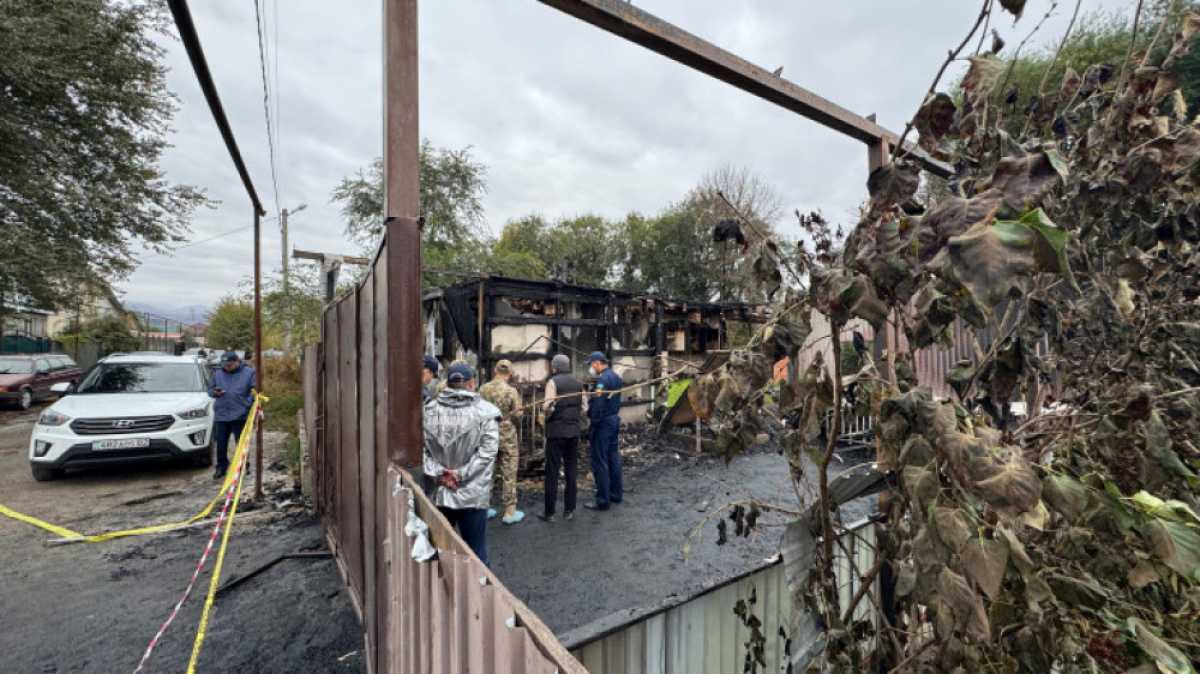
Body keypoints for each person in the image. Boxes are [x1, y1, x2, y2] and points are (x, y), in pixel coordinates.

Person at [423, 362, 500, 565]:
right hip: (473, 494)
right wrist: (460, 474)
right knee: (476, 552)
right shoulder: (487, 412)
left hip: (438, 491)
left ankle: (439, 594)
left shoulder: (428, 411)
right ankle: (481, 593)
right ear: (472, 383)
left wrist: (440, 474)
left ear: (448, 383)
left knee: (437, 550)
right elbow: (487, 453)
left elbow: (420, 451)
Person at [478, 359, 525, 524]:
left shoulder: (483, 389)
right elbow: (518, 416)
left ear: (495, 371)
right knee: (509, 473)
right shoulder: (511, 391)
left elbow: (477, 412)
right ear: (510, 373)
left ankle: (483, 508)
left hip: (487, 435)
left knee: (487, 472)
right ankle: (509, 511)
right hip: (507, 437)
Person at [539, 354, 585, 522]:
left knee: (552, 472)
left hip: (556, 433)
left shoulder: (553, 382)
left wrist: (546, 411)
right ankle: (569, 510)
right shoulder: (578, 383)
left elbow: (548, 406)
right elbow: (584, 407)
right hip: (573, 432)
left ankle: (549, 512)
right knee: (571, 471)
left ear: (555, 367)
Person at [583, 351, 623, 511]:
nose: (591, 367)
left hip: (603, 423)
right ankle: (616, 493)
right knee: (613, 457)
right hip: (613, 420)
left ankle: (602, 500)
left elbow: (598, 404)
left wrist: (593, 421)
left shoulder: (602, 381)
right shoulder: (616, 377)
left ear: (598, 363)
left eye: (591, 364)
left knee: (599, 460)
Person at [208, 351, 257, 480]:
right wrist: (215, 392)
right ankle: (221, 467)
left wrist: (247, 404)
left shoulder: (249, 372)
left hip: (240, 414)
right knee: (221, 443)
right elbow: (210, 390)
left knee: (240, 442)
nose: (226, 367)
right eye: (224, 365)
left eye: (229, 365)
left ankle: (243, 465)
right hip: (222, 414)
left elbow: (255, 390)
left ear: (237, 362)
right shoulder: (217, 373)